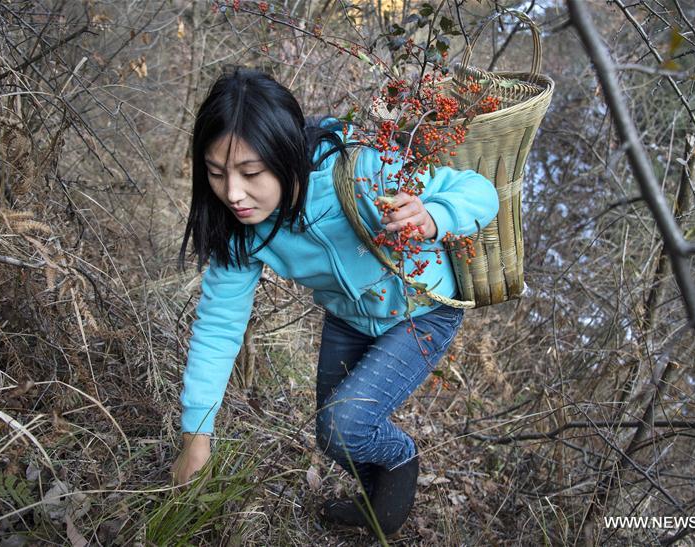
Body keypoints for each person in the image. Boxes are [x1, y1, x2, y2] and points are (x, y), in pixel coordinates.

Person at [169, 65, 499, 536]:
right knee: (332, 435)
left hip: (421, 310)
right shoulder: (240, 233)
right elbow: (218, 328)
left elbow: (479, 191)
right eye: (216, 173)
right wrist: (196, 436)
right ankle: (378, 504)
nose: (233, 193)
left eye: (251, 172)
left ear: (284, 154)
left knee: (344, 425)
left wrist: (433, 214)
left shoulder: (360, 170)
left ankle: (400, 460)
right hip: (348, 317)